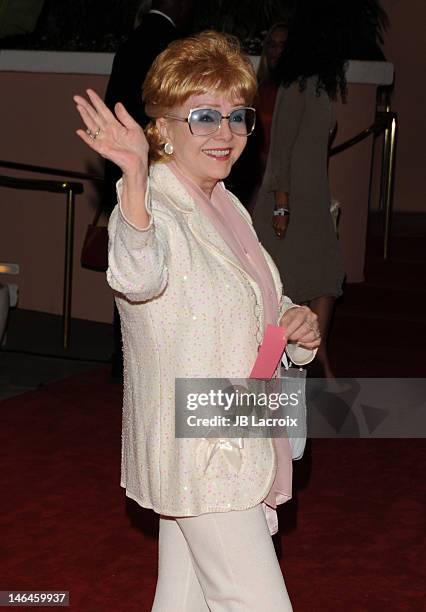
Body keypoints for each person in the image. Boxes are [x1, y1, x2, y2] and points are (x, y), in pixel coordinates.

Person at [73, 31, 321, 611]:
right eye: (204, 116)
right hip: (204, 449)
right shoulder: (153, 202)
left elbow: (262, 302)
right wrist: (133, 178)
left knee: (182, 603)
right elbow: (138, 276)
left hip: (238, 430)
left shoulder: (225, 202)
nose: (225, 133)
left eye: (238, 117)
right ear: (162, 127)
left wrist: (295, 324)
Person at [252, 3, 346, 381]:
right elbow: (282, 149)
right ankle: (263, 374)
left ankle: (317, 356)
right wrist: (280, 204)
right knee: (282, 286)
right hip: (286, 204)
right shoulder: (296, 85)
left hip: (314, 202)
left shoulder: (320, 85)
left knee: (327, 276)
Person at [103, 0, 195, 380]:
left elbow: (115, 105)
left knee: (133, 259)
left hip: (126, 168)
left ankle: (123, 357)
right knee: (162, 264)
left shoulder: (131, 42)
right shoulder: (173, 46)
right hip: (160, 169)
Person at [230, 22, 288, 212]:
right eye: (271, 44)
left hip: (282, 178)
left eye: (282, 45)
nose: (276, 51)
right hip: (255, 176)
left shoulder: (295, 93)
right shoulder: (258, 90)